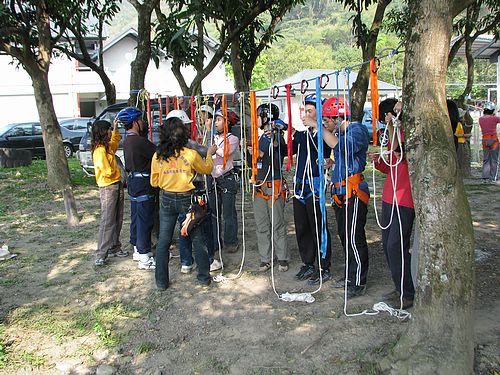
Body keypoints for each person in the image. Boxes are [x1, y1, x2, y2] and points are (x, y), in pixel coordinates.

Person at [150, 117, 217, 289]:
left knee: (164, 241)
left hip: (166, 198)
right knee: (197, 238)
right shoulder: (191, 154)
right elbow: (207, 169)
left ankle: (161, 282)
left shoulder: (158, 156)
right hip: (187, 199)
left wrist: (168, 179)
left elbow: (154, 182)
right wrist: (209, 154)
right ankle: (203, 277)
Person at [319, 99, 370, 298]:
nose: (325, 125)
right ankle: (351, 275)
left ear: (336, 117)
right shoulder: (341, 133)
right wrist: (332, 163)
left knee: (354, 237)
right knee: (344, 236)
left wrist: (317, 126)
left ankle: (359, 280)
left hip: (354, 194)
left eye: (326, 121)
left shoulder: (357, 130)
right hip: (341, 193)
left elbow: (345, 148)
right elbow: (344, 156)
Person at [368, 99, 415, 309]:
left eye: (394, 113)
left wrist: (393, 127)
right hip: (389, 197)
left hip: (404, 199)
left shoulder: (409, 136)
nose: (388, 118)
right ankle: (400, 286)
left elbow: (400, 154)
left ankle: (408, 292)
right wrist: (379, 160)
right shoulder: (395, 135)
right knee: (388, 246)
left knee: (397, 245)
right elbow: (391, 165)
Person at [293, 94, 333, 285]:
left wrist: (316, 124)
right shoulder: (301, 135)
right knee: (302, 226)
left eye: (310, 111)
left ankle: (324, 266)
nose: (306, 114)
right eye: (305, 111)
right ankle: (308, 262)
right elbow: (288, 150)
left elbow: (328, 146)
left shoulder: (323, 133)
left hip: (315, 185)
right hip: (300, 185)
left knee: (318, 226)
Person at [250, 103, 290, 272]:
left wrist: (272, 139)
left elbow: (280, 151)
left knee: (277, 224)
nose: (256, 120)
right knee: (262, 225)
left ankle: (282, 257)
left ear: (266, 117)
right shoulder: (259, 137)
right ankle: (265, 258)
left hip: (273, 185)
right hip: (259, 184)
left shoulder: (276, 136)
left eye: (258, 116)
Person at [118, 106, 157, 270]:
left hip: (134, 181)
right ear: (135, 123)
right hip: (143, 183)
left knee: (136, 216)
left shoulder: (127, 140)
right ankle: (144, 256)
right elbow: (158, 154)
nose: (143, 122)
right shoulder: (140, 141)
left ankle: (137, 249)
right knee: (144, 218)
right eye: (141, 120)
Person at [91, 119, 127, 266]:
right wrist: (117, 170)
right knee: (108, 221)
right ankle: (101, 253)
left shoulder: (106, 148)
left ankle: (114, 246)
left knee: (118, 217)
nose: (111, 131)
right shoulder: (100, 150)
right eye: (109, 129)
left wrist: (117, 128)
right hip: (108, 187)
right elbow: (106, 171)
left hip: (116, 184)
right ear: (103, 132)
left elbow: (115, 141)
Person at [208, 109, 240, 254]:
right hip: (213, 178)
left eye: (219, 120)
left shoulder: (232, 139)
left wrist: (214, 149)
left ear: (227, 123)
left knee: (228, 213)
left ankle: (231, 242)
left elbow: (224, 152)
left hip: (226, 178)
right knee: (213, 213)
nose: (216, 122)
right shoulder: (212, 137)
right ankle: (215, 241)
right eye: (216, 120)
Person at [478, 102, 500, 182]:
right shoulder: (494, 118)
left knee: (486, 159)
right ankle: (493, 177)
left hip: (485, 140)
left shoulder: (481, 119)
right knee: (495, 160)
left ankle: (485, 177)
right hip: (494, 140)